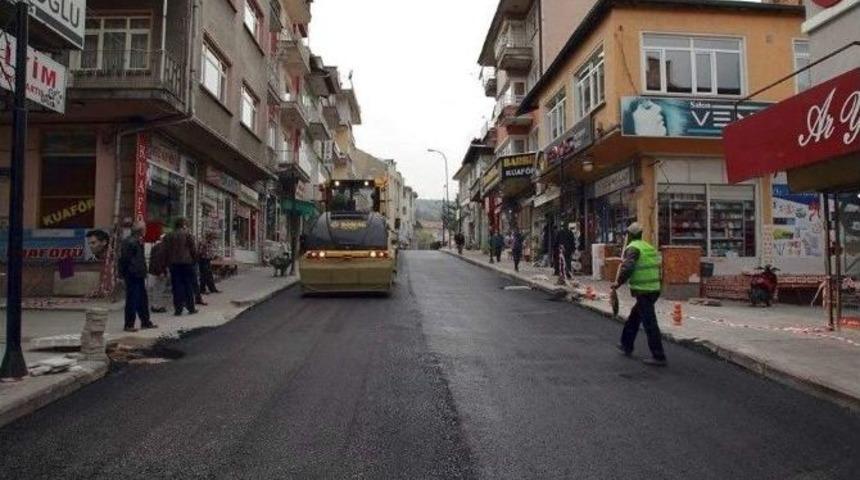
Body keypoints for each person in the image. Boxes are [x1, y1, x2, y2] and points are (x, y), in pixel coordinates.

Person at [611, 222, 667, 366]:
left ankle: (658, 356)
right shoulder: (649, 247)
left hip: (644, 290)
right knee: (634, 317)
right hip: (654, 288)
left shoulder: (633, 248)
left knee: (649, 323)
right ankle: (626, 344)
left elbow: (628, 267)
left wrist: (618, 283)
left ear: (629, 235)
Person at [118, 221, 157, 332]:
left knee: (142, 300)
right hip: (132, 275)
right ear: (140, 231)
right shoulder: (130, 242)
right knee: (132, 300)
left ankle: (145, 321)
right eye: (144, 229)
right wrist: (122, 275)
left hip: (138, 274)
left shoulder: (137, 241)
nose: (146, 231)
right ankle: (129, 324)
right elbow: (124, 260)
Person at [163, 217, 198, 316]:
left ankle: (178, 309)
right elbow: (193, 249)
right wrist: (195, 260)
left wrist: (166, 263)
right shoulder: (187, 234)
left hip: (174, 263)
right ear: (183, 225)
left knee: (176, 286)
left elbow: (165, 250)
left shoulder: (169, 235)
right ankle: (190, 307)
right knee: (188, 285)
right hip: (187, 263)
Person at [148, 234, 169, 313]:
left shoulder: (156, 247)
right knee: (159, 289)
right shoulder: (164, 248)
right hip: (159, 272)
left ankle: (155, 305)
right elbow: (159, 260)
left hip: (153, 271)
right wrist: (160, 271)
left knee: (155, 290)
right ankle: (157, 306)